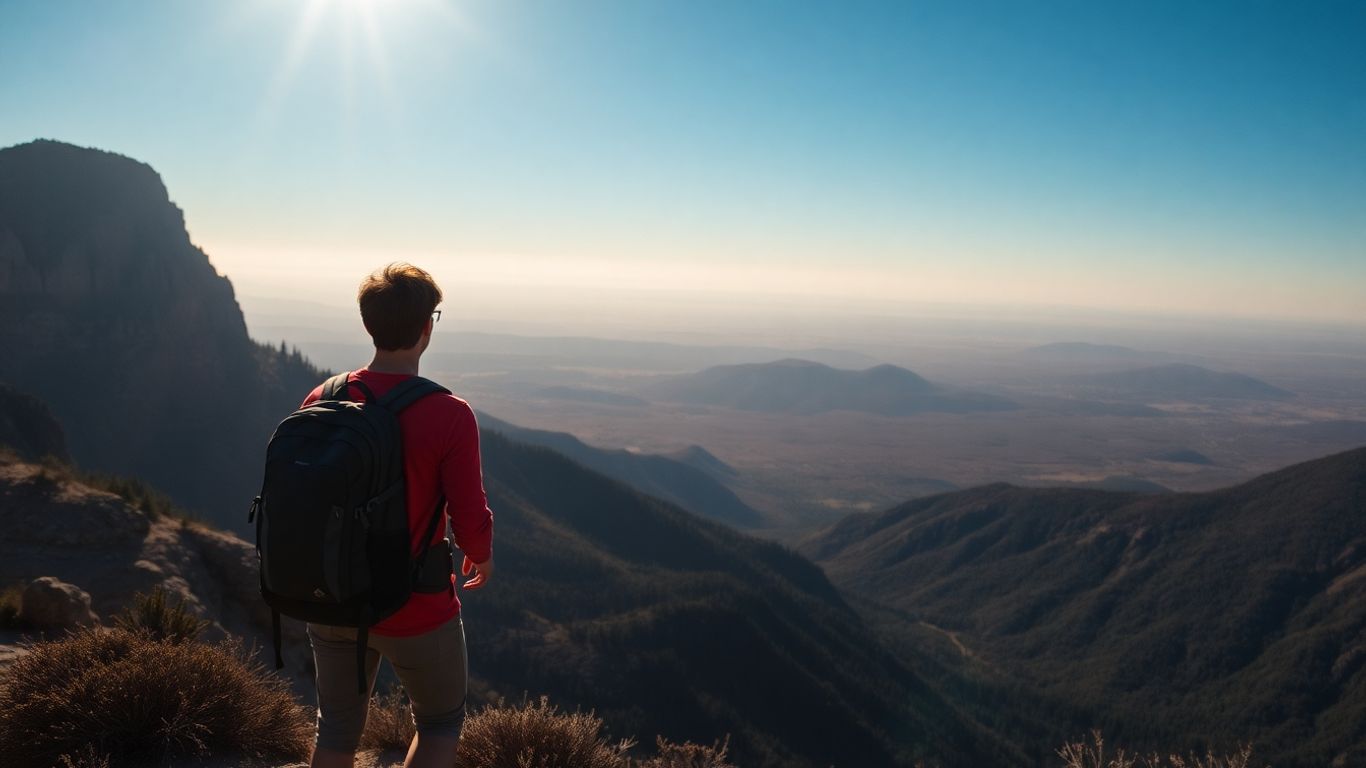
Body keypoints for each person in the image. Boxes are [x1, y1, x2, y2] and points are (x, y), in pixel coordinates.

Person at [306, 263, 494, 768]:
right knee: (439, 723)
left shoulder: (323, 398)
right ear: (427, 327)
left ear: (368, 323)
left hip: (332, 596)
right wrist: (481, 555)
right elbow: (468, 513)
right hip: (416, 604)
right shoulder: (449, 414)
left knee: (336, 729)